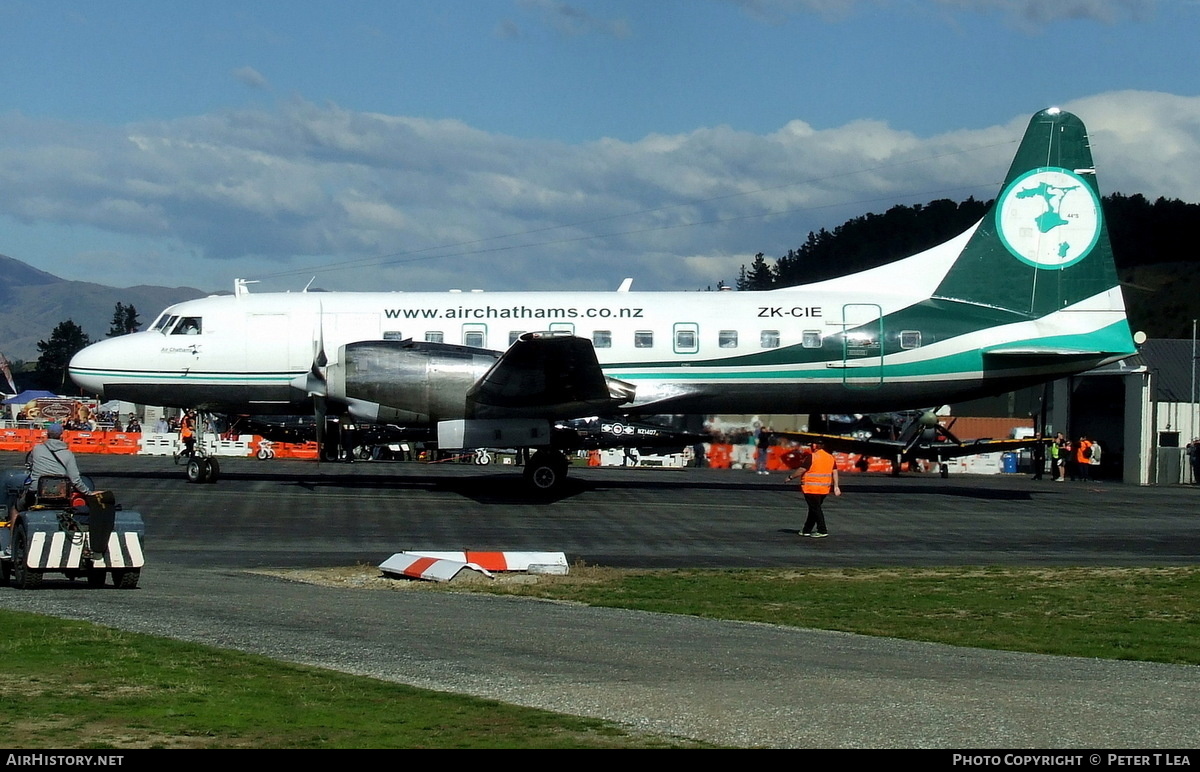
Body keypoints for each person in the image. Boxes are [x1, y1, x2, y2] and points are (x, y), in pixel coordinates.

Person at [785, 440, 841, 538]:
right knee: (813, 509)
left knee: (816, 509)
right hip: (824, 489)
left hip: (811, 488)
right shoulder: (830, 457)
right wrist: (836, 486)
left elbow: (801, 470)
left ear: (815, 446)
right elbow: (834, 471)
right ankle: (807, 529)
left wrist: (790, 477)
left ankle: (822, 530)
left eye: (811, 445)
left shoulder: (812, 457)